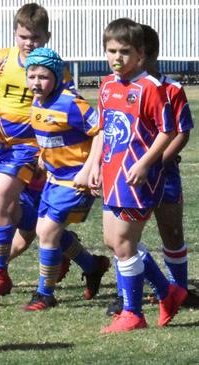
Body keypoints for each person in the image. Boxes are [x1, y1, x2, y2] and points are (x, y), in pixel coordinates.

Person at [0, 2, 109, 303]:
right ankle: (91, 264)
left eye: (36, 38)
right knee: (31, 223)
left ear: (47, 37)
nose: (29, 43)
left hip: (32, 152)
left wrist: (81, 161)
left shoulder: (56, 71)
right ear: (15, 34)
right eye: (23, 37)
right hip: (1, 150)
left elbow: (72, 111)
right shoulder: (2, 60)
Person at [88, 18, 186, 333]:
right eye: (111, 51)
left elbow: (167, 130)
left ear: (140, 55)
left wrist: (145, 163)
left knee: (124, 242)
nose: (117, 57)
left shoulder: (150, 88)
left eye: (125, 51)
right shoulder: (106, 86)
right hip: (113, 175)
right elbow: (104, 130)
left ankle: (133, 313)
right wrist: (94, 167)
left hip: (138, 178)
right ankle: (167, 291)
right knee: (112, 240)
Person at [105, 24, 196, 316]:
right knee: (121, 237)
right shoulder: (115, 86)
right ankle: (126, 296)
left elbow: (180, 132)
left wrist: (157, 163)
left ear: (149, 54)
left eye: (131, 53)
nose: (122, 59)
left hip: (162, 171)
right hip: (129, 173)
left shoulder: (170, 89)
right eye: (114, 51)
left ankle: (178, 288)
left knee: (170, 231)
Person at [20, 47, 107, 311]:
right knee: (46, 231)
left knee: (46, 232)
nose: (36, 82)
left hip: (75, 180)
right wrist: (42, 159)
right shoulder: (37, 102)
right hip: (54, 178)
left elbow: (100, 132)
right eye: (31, 76)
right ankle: (93, 266)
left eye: (43, 77)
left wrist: (90, 168)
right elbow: (50, 134)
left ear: (57, 77)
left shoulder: (71, 102)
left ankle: (45, 294)